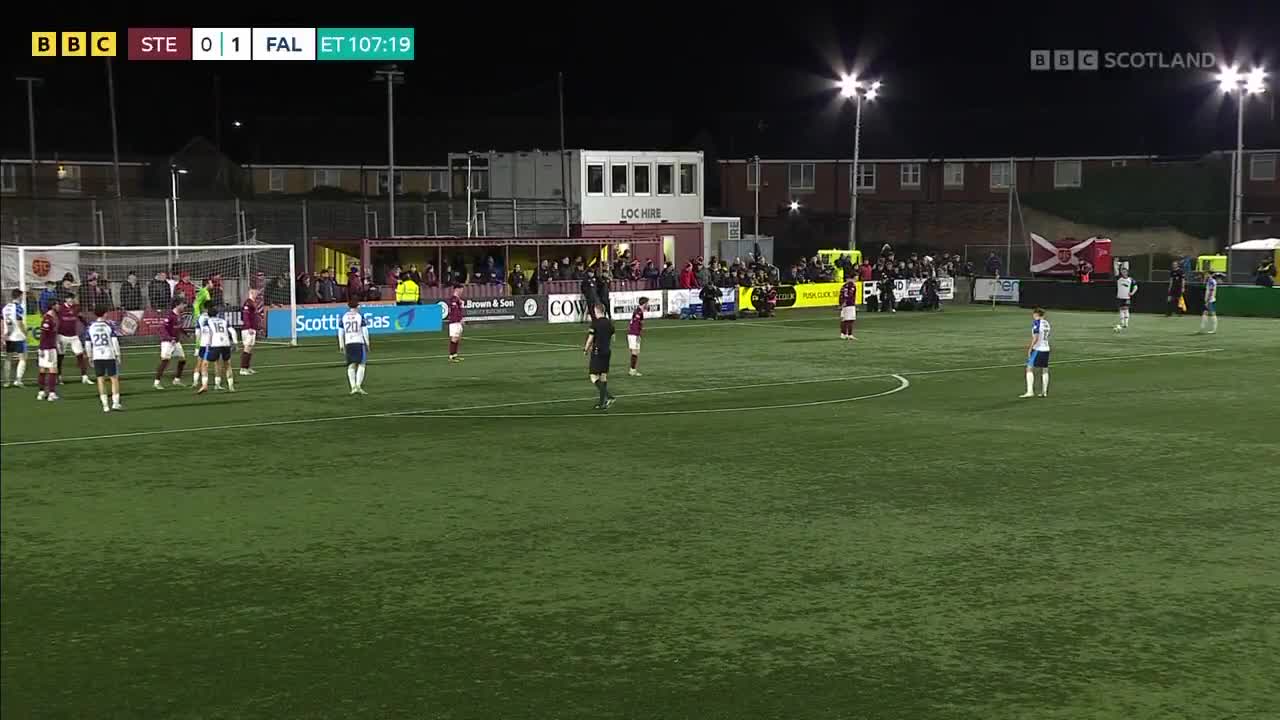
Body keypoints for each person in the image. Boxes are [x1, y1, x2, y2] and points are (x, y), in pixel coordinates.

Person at [86, 308, 123, 412]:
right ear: (105, 313)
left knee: (100, 380)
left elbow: (88, 343)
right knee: (114, 379)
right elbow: (115, 341)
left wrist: (89, 356)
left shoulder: (90, 326)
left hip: (97, 356)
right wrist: (118, 354)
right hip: (109, 355)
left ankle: (105, 405)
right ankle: (115, 403)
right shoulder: (109, 325)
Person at [197, 302, 237, 394]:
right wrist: (235, 343)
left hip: (215, 344)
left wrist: (207, 346)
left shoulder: (208, 322)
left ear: (208, 315)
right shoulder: (223, 321)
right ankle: (231, 387)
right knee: (227, 365)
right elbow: (233, 331)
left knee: (204, 364)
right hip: (226, 344)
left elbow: (207, 334)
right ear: (217, 314)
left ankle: (204, 385)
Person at [54, 294, 92, 385]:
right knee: (60, 357)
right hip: (62, 336)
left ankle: (84, 377)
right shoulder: (60, 308)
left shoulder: (76, 307)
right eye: (69, 298)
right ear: (65, 299)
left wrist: (87, 324)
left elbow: (80, 316)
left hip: (74, 336)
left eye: (72, 298)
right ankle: (59, 377)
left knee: (80, 356)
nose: (71, 300)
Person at [584, 305, 616, 410]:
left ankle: (609, 396)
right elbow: (613, 337)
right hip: (607, 351)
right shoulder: (609, 323)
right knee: (603, 376)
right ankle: (602, 403)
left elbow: (590, 338)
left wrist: (586, 349)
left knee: (593, 376)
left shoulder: (595, 323)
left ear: (596, 311)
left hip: (597, 352)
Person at [338, 297, 370, 395]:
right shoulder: (360, 316)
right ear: (357, 306)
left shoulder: (344, 316)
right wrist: (367, 343)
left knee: (351, 365)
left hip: (348, 343)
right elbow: (365, 331)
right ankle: (358, 386)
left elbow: (340, 332)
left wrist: (341, 344)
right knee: (362, 364)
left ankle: (353, 387)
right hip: (359, 342)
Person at [154, 299, 188, 389]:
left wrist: (185, 333)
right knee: (165, 360)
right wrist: (169, 338)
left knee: (182, 360)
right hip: (167, 342)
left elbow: (178, 327)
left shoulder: (179, 315)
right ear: (177, 305)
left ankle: (176, 380)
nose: (184, 306)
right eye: (183, 304)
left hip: (176, 342)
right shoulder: (170, 315)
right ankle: (156, 382)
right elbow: (162, 328)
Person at [1022, 307, 1052, 398]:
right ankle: (1044, 392)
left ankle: (1030, 391)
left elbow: (1036, 337)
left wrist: (1030, 348)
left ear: (1036, 314)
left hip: (1038, 349)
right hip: (1046, 348)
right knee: (1045, 369)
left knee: (1029, 368)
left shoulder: (1037, 322)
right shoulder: (1046, 323)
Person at [2, 289, 28, 388]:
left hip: (9, 336)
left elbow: (4, 321)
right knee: (23, 358)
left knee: (8, 358)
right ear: (19, 296)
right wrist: (25, 333)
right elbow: (19, 322)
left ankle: (6, 381)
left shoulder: (5, 308)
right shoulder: (18, 307)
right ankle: (18, 380)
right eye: (22, 296)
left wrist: (5, 334)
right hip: (18, 336)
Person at [35, 306, 59, 401]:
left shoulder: (49, 318)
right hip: (48, 348)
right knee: (52, 370)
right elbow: (43, 334)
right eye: (57, 304)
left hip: (45, 348)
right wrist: (41, 348)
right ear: (53, 306)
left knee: (42, 369)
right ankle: (51, 394)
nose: (58, 306)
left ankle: (41, 393)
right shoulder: (48, 319)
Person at [239, 288, 261, 375]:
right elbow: (245, 316)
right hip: (248, 329)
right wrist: (249, 327)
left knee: (250, 347)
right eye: (255, 292)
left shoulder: (252, 302)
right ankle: (243, 368)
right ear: (251, 293)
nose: (257, 294)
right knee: (247, 347)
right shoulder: (248, 303)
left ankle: (247, 367)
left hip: (252, 328)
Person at [627, 296, 648, 377]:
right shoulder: (638, 312)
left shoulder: (640, 312)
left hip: (635, 334)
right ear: (644, 304)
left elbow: (640, 323)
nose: (648, 305)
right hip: (634, 334)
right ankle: (632, 371)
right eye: (647, 303)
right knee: (634, 352)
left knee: (636, 352)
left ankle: (633, 370)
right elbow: (635, 324)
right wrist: (637, 335)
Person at [446, 285, 465, 363]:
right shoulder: (453, 299)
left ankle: (455, 355)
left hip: (458, 321)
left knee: (457, 338)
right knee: (454, 338)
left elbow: (459, 310)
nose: (462, 291)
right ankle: (451, 356)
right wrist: (459, 319)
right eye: (461, 289)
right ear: (457, 289)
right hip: (454, 321)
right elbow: (455, 310)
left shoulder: (458, 299)